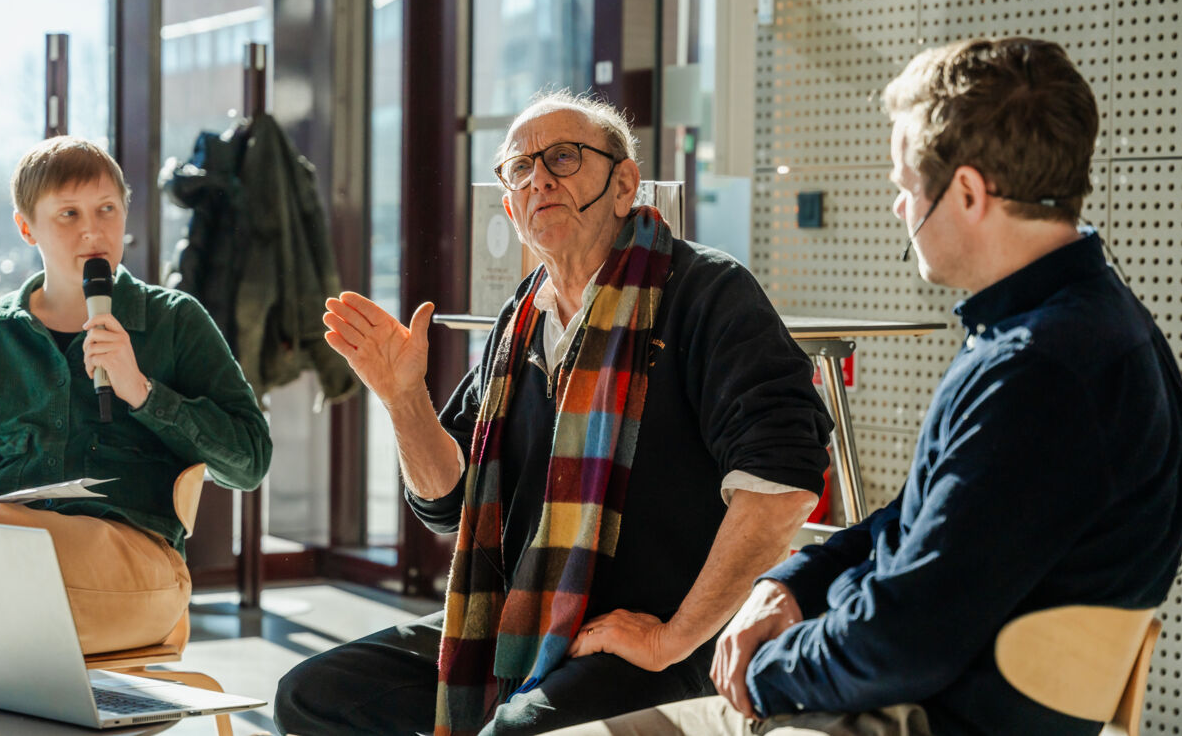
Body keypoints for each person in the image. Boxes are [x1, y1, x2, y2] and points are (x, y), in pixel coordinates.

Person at [541, 37, 1182, 736]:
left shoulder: (1038, 370)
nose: (898, 208)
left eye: (907, 186)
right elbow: (919, 518)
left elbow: (903, 638)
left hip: (914, 717)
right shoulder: (1090, 326)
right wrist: (793, 581)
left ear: (968, 192)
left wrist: (763, 666)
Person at [274, 92, 834, 736]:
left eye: (563, 158)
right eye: (520, 168)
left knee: (517, 732)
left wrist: (674, 638)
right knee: (311, 696)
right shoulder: (518, 325)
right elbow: (448, 503)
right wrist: (404, 398)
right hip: (523, 620)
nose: (539, 178)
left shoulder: (706, 293)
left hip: (664, 638)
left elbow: (785, 480)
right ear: (510, 207)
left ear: (624, 184)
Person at [0, 136, 273, 656]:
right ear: (26, 227)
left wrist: (144, 393)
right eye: (68, 214)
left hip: (134, 566)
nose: (93, 230)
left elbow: (250, 462)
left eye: (107, 209)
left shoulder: (175, 320)